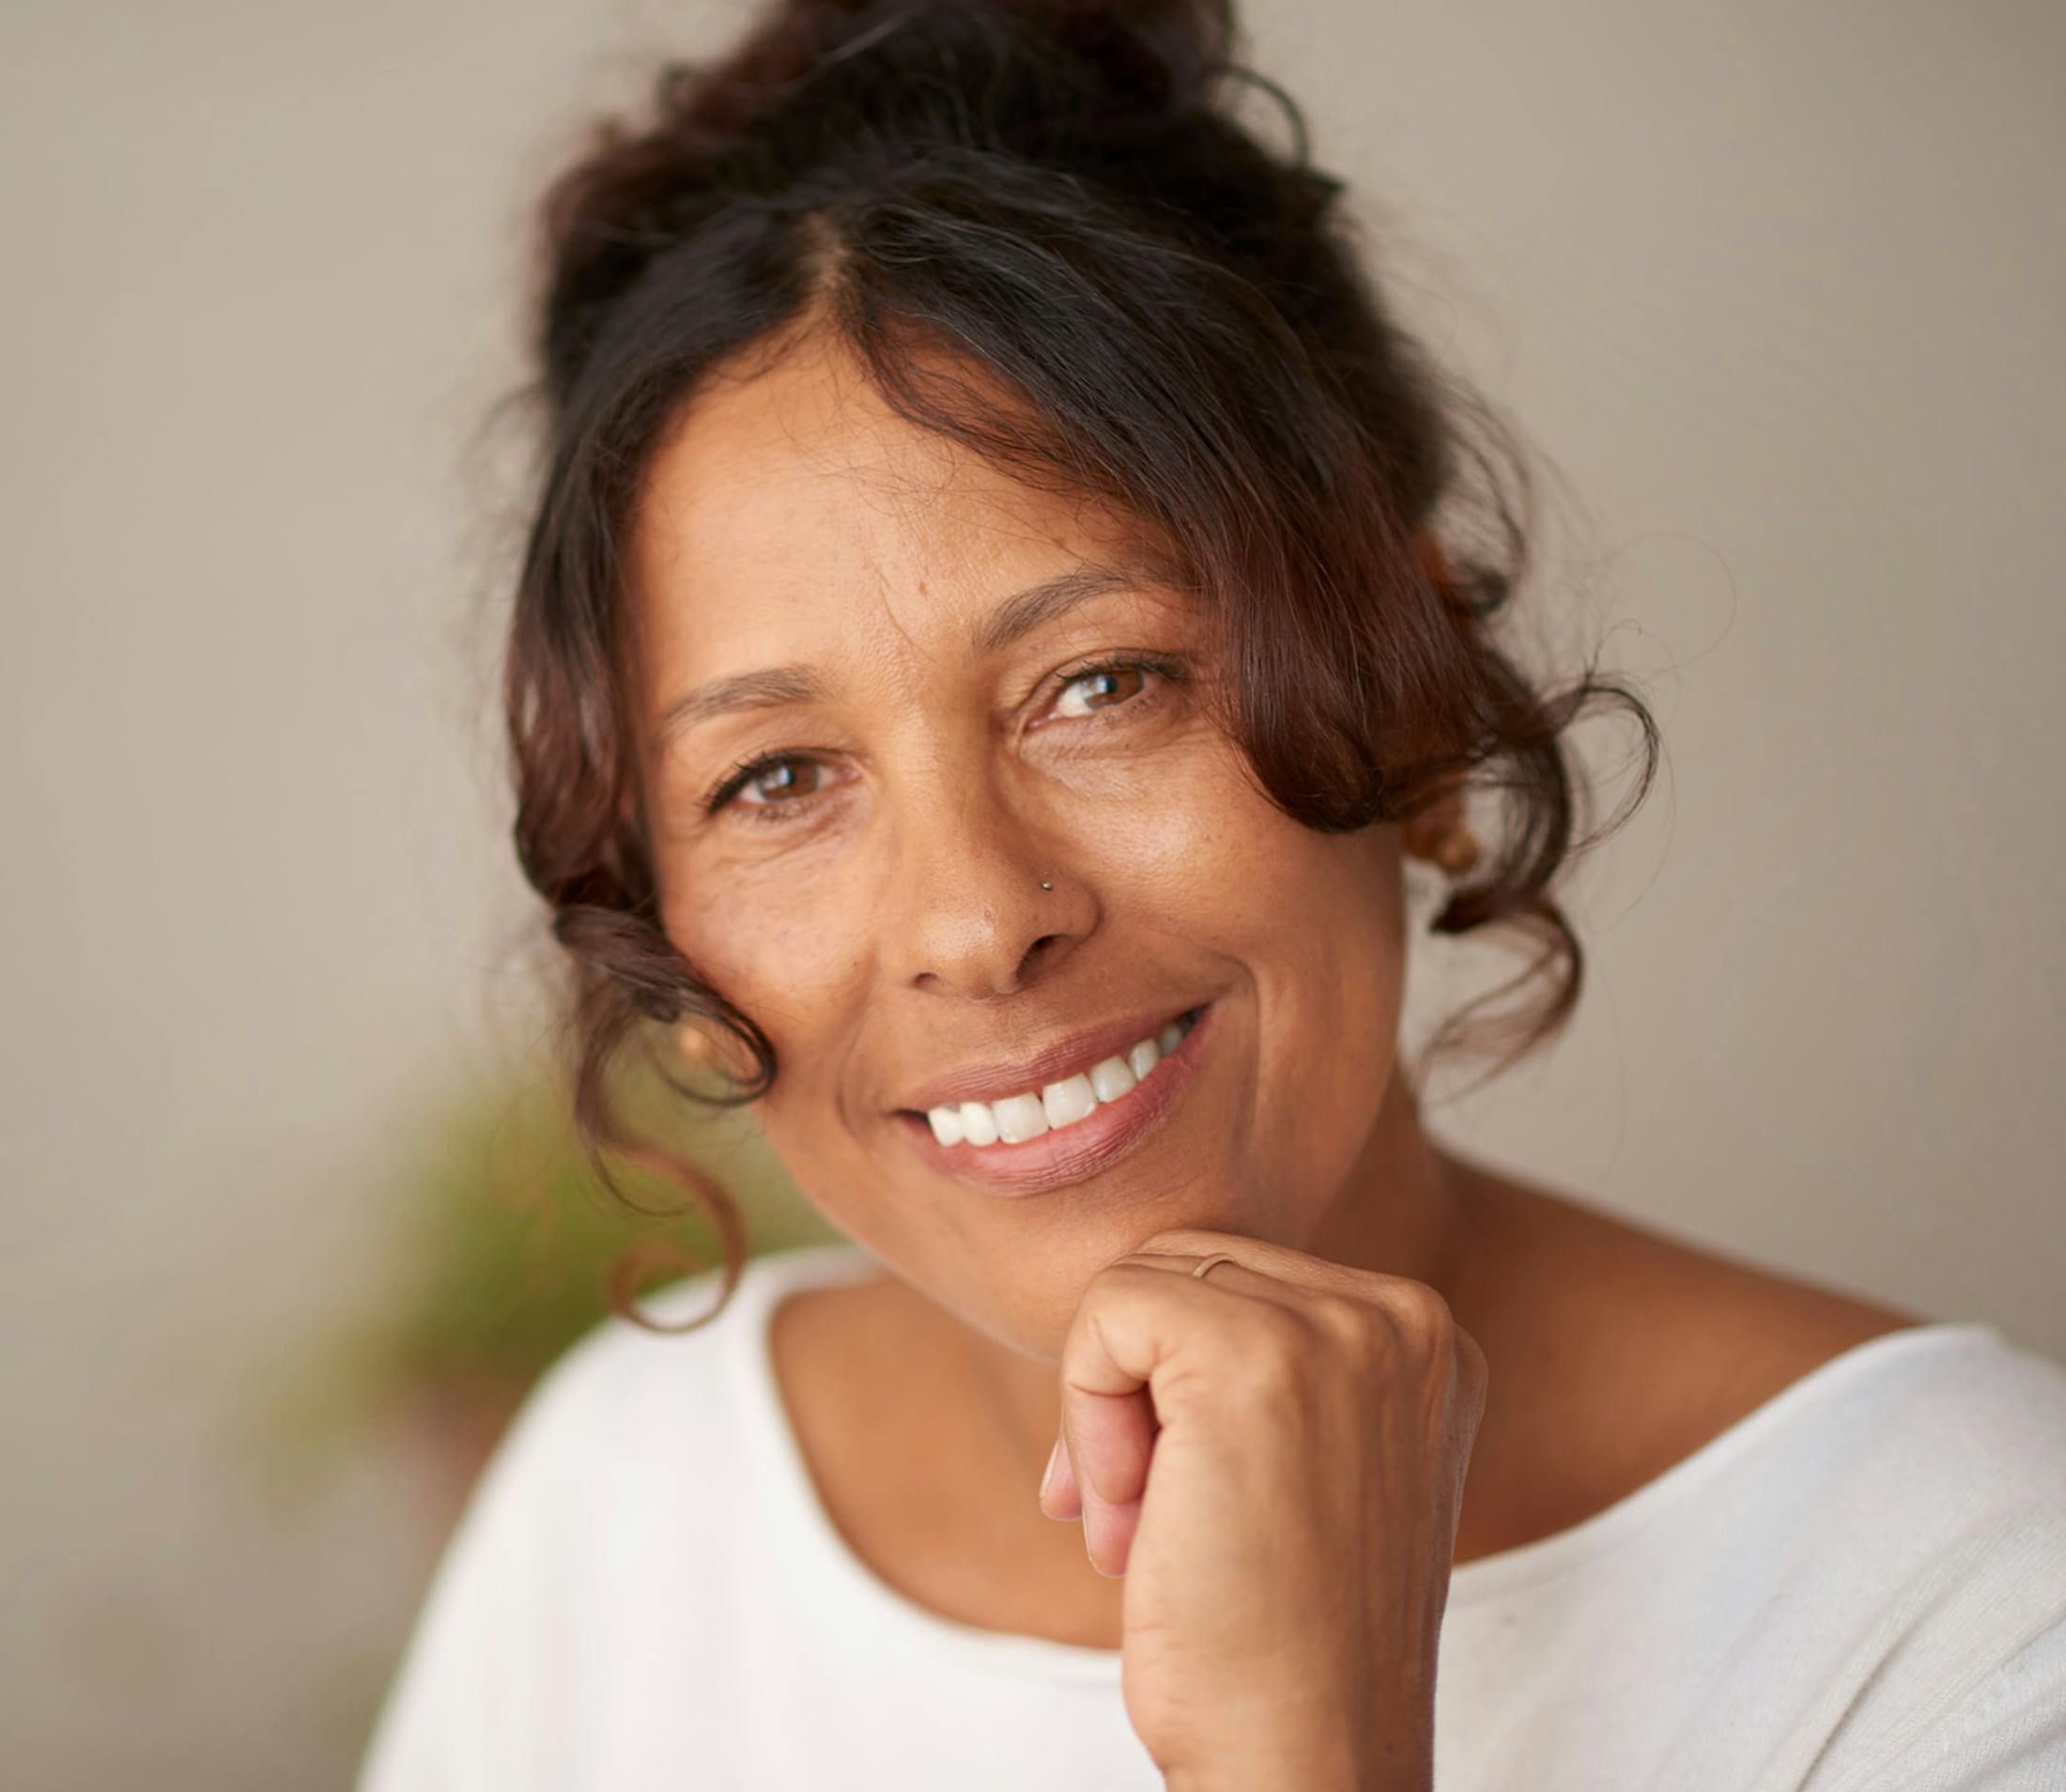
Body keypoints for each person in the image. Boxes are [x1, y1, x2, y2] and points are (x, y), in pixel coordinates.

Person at [360, 1, 2066, 1785]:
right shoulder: (631, 1497)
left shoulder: (1967, 1601)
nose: (974, 922)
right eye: (775, 779)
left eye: (1106, 684)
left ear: (1417, 700)